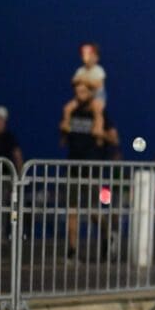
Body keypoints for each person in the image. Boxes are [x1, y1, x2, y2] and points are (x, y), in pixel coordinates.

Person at [60, 82, 113, 260]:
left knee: (92, 211)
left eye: (83, 91)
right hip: (73, 166)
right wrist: (66, 118)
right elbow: (63, 140)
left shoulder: (100, 112)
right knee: (72, 210)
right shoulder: (72, 111)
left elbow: (114, 138)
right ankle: (72, 251)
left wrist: (100, 133)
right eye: (77, 91)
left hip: (92, 168)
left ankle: (108, 236)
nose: (79, 94)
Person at [60, 43, 106, 139]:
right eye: (85, 55)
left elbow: (98, 84)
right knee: (68, 108)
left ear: (96, 57)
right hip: (81, 98)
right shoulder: (80, 71)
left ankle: (98, 128)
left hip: (96, 97)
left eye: (91, 55)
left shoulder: (99, 70)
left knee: (97, 110)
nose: (88, 58)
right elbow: (74, 81)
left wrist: (85, 81)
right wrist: (82, 82)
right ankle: (66, 124)